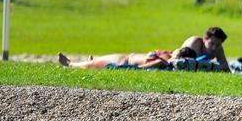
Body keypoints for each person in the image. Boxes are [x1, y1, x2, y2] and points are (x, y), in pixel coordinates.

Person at [58, 46, 196, 70]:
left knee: (94, 64)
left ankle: (70, 64)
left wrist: (130, 68)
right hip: (126, 57)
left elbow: (142, 67)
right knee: (95, 62)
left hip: (124, 61)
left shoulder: (165, 62)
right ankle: (90, 61)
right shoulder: (168, 55)